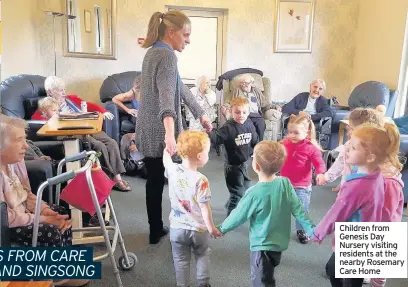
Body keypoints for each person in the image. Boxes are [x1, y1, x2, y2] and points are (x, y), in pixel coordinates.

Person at [136, 10, 213, 244]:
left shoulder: (153, 53)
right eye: (185, 34)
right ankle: (173, 227)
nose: (188, 40)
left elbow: (180, 88)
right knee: (171, 181)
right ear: (171, 32)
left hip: (147, 127)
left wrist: (201, 114)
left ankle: (155, 229)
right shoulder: (167, 57)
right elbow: (167, 99)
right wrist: (170, 134)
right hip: (160, 131)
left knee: (155, 181)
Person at [0, 114, 90, 287]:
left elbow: (28, 194)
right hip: (9, 225)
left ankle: (63, 268)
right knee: (48, 229)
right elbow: (6, 218)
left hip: (24, 215)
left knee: (60, 212)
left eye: (25, 139)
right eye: (19, 140)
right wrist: (43, 219)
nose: (26, 146)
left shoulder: (16, 163)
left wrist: (44, 210)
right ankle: (51, 278)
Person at [310, 123, 400, 287]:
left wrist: (319, 232)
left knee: (338, 272)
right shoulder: (376, 173)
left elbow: (337, 212)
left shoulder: (357, 186)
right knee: (344, 273)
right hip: (364, 235)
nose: (346, 150)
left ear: (370, 157)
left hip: (355, 238)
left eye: (352, 147)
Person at [218, 140, 315, 287]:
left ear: (256, 166)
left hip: (261, 247)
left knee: (262, 281)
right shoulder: (285, 183)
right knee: (268, 275)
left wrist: (221, 228)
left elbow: (238, 216)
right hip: (279, 244)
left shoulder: (253, 193)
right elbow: (298, 208)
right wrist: (310, 228)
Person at [32, 76, 131, 192]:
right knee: (99, 146)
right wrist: (52, 117)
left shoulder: (70, 99)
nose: (64, 92)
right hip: (72, 132)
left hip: (87, 127)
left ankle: (114, 177)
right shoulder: (46, 106)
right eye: (60, 90)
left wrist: (104, 111)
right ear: (50, 92)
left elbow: (90, 105)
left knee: (112, 142)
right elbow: (38, 122)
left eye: (64, 89)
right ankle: (114, 179)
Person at [163, 130, 221, 287]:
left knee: (180, 259)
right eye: (207, 153)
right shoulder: (201, 180)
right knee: (202, 254)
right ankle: (203, 283)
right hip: (198, 230)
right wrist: (212, 228)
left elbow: (166, 160)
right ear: (200, 157)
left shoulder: (173, 171)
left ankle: (183, 285)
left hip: (177, 228)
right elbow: (204, 207)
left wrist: (167, 149)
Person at [280, 114, 326, 244]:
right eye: (290, 132)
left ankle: (301, 230)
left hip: (302, 187)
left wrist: (320, 173)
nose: (292, 135)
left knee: (301, 211)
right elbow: (277, 152)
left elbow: (319, 163)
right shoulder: (286, 143)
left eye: (296, 132)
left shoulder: (311, 148)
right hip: (285, 184)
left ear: (307, 132)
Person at [209, 97, 259, 215]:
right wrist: (210, 132)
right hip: (232, 167)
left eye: (244, 112)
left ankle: (230, 203)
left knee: (247, 188)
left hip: (245, 163)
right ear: (231, 112)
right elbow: (217, 138)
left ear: (248, 112)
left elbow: (255, 139)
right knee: (237, 193)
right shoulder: (228, 127)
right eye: (237, 112)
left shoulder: (249, 123)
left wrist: (258, 151)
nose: (241, 115)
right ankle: (231, 217)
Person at [316, 108, 385, 192]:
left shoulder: (376, 150)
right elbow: (340, 163)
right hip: (349, 189)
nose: (348, 131)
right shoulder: (348, 145)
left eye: (352, 128)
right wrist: (327, 177)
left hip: (364, 191)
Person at [221, 73, 269, 140]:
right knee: (247, 125)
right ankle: (249, 146)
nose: (243, 85)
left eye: (246, 83)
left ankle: (258, 145)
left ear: (251, 83)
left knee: (261, 124)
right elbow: (229, 102)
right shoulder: (236, 90)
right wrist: (225, 107)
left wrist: (274, 107)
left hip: (256, 115)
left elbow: (265, 104)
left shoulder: (256, 91)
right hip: (243, 114)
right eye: (242, 83)